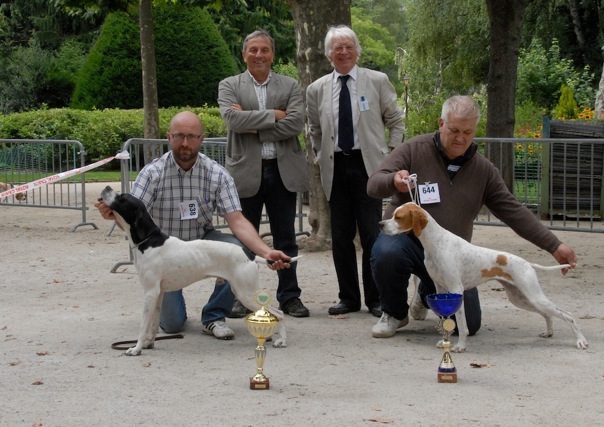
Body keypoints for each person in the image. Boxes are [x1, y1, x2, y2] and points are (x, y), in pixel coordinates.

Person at [367, 95, 578, 338]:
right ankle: (394, 313)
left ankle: (426, 293)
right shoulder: (414, 149)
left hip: (453, 257)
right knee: (386, 253)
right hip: (407, 244)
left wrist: (554, 245)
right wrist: (393, 180)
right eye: (454, 130)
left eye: (468, 132)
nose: (460, 138)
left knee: (469, 326)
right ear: (441, 124)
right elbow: (374, 184)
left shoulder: (484, 170)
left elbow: (513, 211)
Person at [95, 111, 295, 340]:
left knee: (236, 249)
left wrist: (266, 252)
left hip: (202, 242)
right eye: (179, 136)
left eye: (191, 136)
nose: (185, 143)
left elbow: (237, 221)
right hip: (164, 251)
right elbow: (133, 221)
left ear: (202, 138)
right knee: (171, 324)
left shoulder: (217, 174)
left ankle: (214, 316)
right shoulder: (152, 174)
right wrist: (114, 217)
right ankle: (168, 319)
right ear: (169, 137)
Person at [306, 25, 405, 317]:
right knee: (340, 236)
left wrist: (391, 157)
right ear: (329, 54)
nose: (344, 52)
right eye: (337, 48)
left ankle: (375, 298)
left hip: (370, 167)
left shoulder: (377, 81)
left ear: (357, 50)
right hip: (336, 167)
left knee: (372, 234)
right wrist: (318, 155)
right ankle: (348, 297)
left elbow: (396, 121)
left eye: (348, 46)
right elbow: (314, 129)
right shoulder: (317, 89)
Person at [217, 30, 310, 318]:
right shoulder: (229, 84)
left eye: (265, 50)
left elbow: (295, 124)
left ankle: (290, 297)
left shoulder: (291, 85)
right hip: (246, 172)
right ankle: (240, 297)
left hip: (282, 172)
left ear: (272, 54)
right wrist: (274, 114)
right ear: (244, 54)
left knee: (286, 238)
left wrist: (251, 119)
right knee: (243, 240)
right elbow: (232, 119)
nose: (259, 55)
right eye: (253, 50)